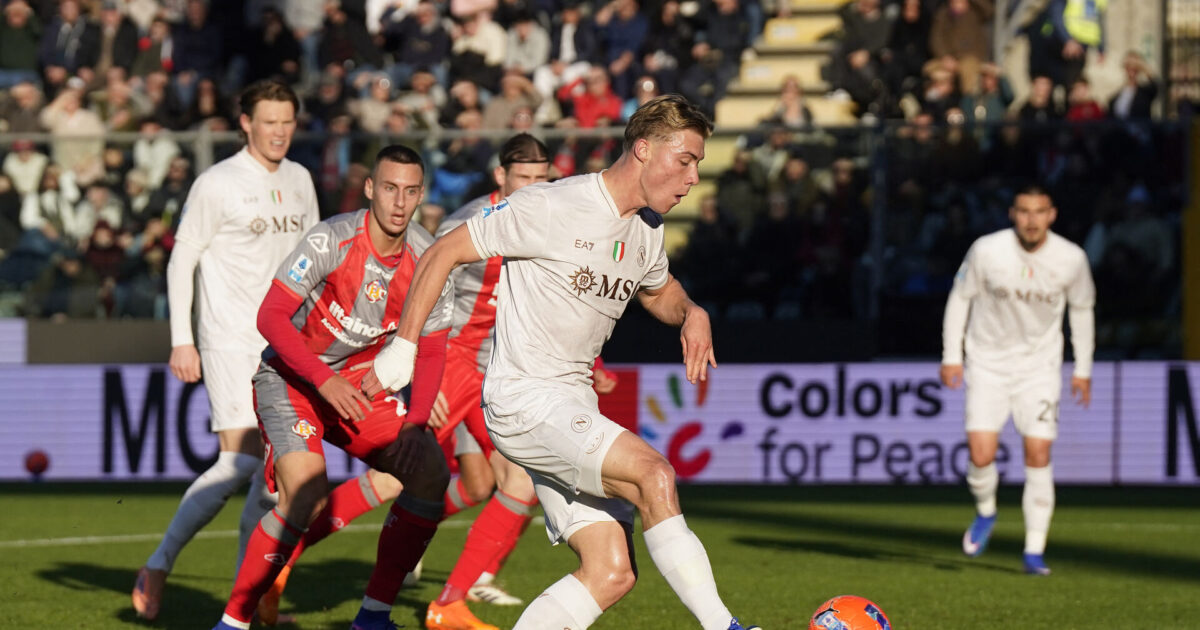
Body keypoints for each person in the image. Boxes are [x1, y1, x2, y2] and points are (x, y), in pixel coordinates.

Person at [372, 94, 760, 630]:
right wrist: (405, 346)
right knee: (655, 476)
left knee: (611, 571)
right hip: (525, 399)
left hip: (569, 402)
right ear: (644, 150)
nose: (694, 177)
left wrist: (691, 311)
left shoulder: (646, 227)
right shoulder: (551, 205)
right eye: (687, 160)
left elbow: (658, 290)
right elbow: (443, 252)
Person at [212, 144, 454, 630]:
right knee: (306, 494)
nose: (399, 202)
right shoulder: (331, 240)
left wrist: (416, 422)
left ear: (422, 195)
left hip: (358, 391)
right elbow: (270, 317)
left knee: (429, 472)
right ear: (370, 189)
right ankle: (233, 622)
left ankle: (373, 617)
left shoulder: (430, 259)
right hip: (293, 379)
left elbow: (430, 350)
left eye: (410, 191)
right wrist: (323, 379)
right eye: (389, 188)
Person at [132, 79, 319, 622]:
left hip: (288, 342)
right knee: (238, 460)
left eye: (287, 121)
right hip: (231, 338)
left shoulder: (302, 180)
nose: (280, 131)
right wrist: (181, 340)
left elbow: (315, 261)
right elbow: (180, 261)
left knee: (273, 472)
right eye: (269, 121)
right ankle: (160, 563)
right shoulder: (217, 183)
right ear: (245, 123)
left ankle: (251, 597)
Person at [423, 133, 550, 630]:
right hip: (450, 365)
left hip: (493, 377)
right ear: (502, 177)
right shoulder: (469, 223)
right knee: (396, 477)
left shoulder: (544, 220)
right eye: (525, 178)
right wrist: (421, 375)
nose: (535, 188)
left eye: (543, 179)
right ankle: (280, 560)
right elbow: (422, 285)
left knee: (513, 482)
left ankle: (452, 600)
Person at [940, 185, 1095, 576]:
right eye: (1024, 211)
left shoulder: (1071, 258)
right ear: (1013, 214)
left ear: (1052, 215)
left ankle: (1033, 551)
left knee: (1038, 454)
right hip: (988, 364)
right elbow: (960, 298)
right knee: (980, 454)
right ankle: (987, 511)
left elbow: (1081, 310)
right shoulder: (987, 250)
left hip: (1039, 369)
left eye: (1039, 211)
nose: (1031, 220)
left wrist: (1083, 368)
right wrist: (951, 356)